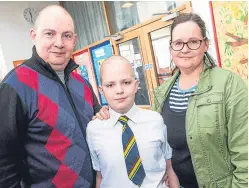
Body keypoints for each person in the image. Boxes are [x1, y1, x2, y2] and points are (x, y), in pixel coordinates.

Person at [0, 5, 106, 188]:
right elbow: (3, 161)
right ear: (34, 35)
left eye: (66, 35)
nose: (59, 43)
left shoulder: (82, 84)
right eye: (50, 34)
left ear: (74, 40)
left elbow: (98, 122)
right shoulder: (15, 86)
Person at [152, 13, 248, 188]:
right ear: (171, 47)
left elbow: (245, 153)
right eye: (178, 43)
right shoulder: (161, 94)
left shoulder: (229, 85)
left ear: (205, 45)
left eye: (193, 42)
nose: (185, 49)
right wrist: (106, 115)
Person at [86, 55, 180, 188]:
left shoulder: (155, 120)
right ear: (102, 91)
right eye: (110, 85)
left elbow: (170, 168)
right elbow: (100, 176)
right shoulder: (94, 129)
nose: (119, 90)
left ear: (136, 85)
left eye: (126, 82)